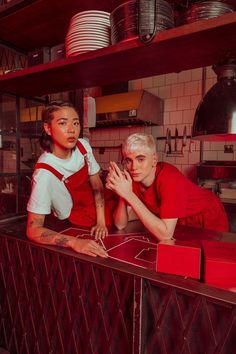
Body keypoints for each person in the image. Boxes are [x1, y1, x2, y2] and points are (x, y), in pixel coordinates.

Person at [27, 100, 115, 257]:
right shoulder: (44, 173)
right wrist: (75, 242)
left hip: (101, 210)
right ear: (48, 128)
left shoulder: (82, 146)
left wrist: (100, 221)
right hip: (75, 222)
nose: (72, 130)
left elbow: (96, 183)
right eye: (63, 123)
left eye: (76, 123)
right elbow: (33, 230)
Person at [106, 133, 229, 242]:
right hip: (177, 219)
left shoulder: (169, 178)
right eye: (128, 161)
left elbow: (165, 235)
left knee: (211, 259)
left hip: (206, 214)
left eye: (140, 159)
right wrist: (121, 192)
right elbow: (120, 224)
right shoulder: (134, 178)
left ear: (154, 160)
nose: (133, 167)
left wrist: (129, 194)